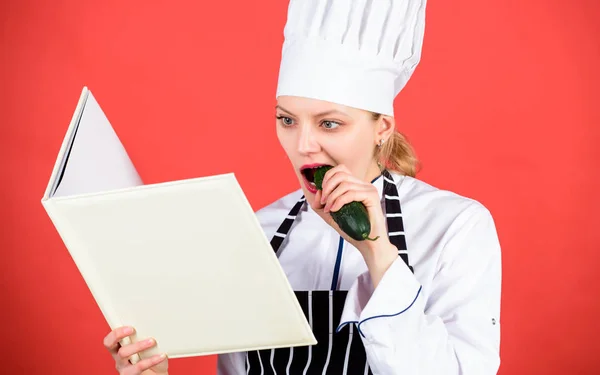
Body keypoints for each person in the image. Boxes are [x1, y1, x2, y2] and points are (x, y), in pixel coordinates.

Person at [103, 0, 502, 374]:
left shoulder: (456, 227)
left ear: (382, 129)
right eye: (288, 120)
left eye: (329, 123)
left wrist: (378, 254)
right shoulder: (257, 234)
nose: (303, 147)